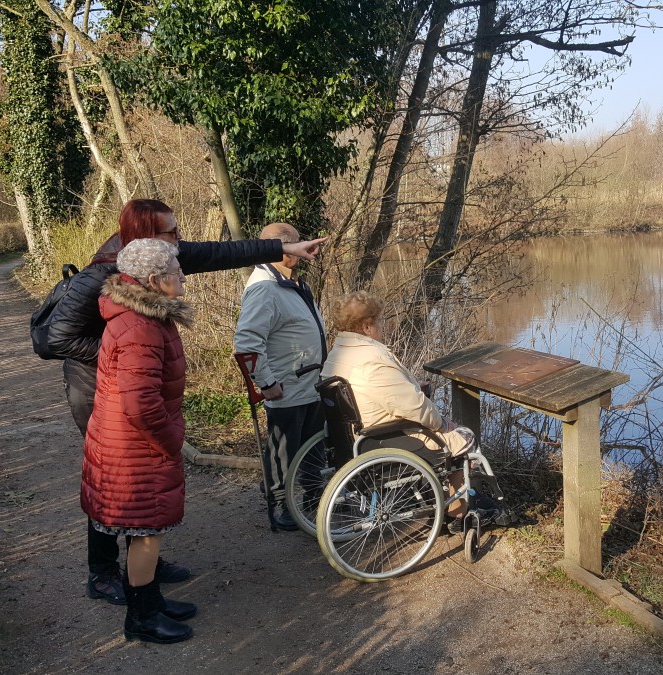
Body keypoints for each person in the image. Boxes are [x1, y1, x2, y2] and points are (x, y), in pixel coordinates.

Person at [46, 198, 325, 604]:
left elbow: (221, 252)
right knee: (115, 480)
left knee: (140, 487)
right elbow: (55, 339)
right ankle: (102, 572)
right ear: (144, 236)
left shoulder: (162, 261)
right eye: (170, 232)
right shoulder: (102, 274)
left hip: (135, 377)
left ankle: (145, 566)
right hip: (94, 388)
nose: (180, 240)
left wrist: (283, 248)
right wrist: (123, 353)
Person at [82, 238, 196, 643]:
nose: (183, 276)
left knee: (142, 530)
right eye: (176, 271)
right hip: (136, 447)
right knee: (147, 529)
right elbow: (140, 403)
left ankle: (150, 602)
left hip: (128, 442)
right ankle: (142, 619)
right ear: (153, 280)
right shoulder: (139, 327)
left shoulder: (143, 317)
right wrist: (171, 440)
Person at [320, 291, 476, 525]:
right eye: (378, 321)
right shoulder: (372, 359)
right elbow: (416, 409)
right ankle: (457, 513)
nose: (382, 326)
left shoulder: (338, 353)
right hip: (384, 438)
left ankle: (438, 497)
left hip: (353, 436)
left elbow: (383, 393)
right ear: (366, 326)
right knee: (464, 438)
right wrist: (444, 424)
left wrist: (412, 386)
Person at [232, 222, 326, 532]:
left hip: (311, 383)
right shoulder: (264, 288)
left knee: (313, 445)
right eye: (298, 243)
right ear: (285, 250)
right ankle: (280, 503)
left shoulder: (291, 282)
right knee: (283, 450)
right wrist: (267, 383)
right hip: (287, 388)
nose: (303, 248)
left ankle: (316, 496)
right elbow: (246, 343)